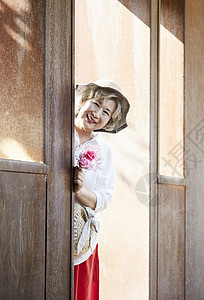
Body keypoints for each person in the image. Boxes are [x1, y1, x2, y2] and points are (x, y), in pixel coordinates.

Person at [73, 79, 130, 300]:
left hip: (80, 237)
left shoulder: (104, 151)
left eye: (106, 112)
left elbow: (105, 198)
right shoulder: (55, 132)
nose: (97, 114)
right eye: (96, 104)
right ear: (83, 100)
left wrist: (79, 190)